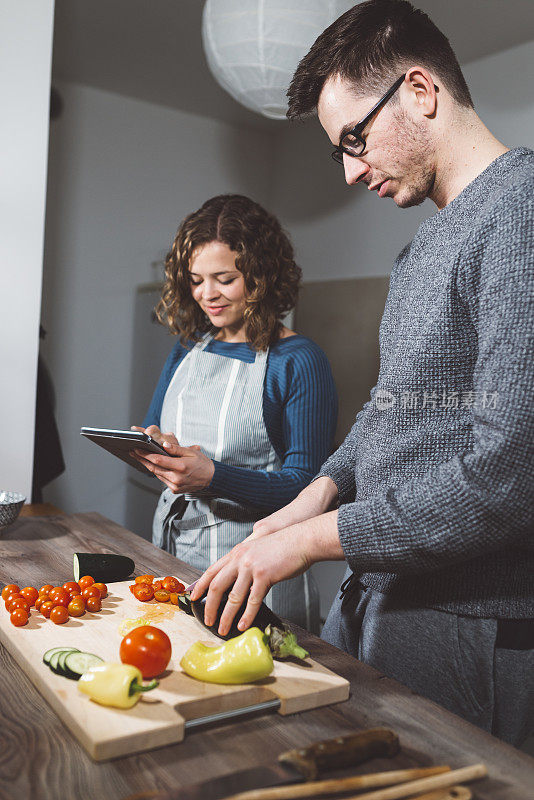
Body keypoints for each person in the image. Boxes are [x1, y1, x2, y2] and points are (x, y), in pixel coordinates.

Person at [190, 0, 534, 746]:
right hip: (387, 595)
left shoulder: (522, 213)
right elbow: (390, 411)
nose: (349, 171)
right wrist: (308, 500)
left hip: (477, 621)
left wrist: (308, 543)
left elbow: (511, 474)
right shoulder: (419, 253)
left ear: (420, 91)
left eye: (356, 138)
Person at [132, 194, 337, 633]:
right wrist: (157, 450)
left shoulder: (298, 360)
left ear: (261, 277)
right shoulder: (188, 348)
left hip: (257, 580)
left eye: (224, 279)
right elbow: (157, 429)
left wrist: (213, 477)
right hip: (174, 559)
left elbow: (309, 489)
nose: (207, 295)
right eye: (196, 279)